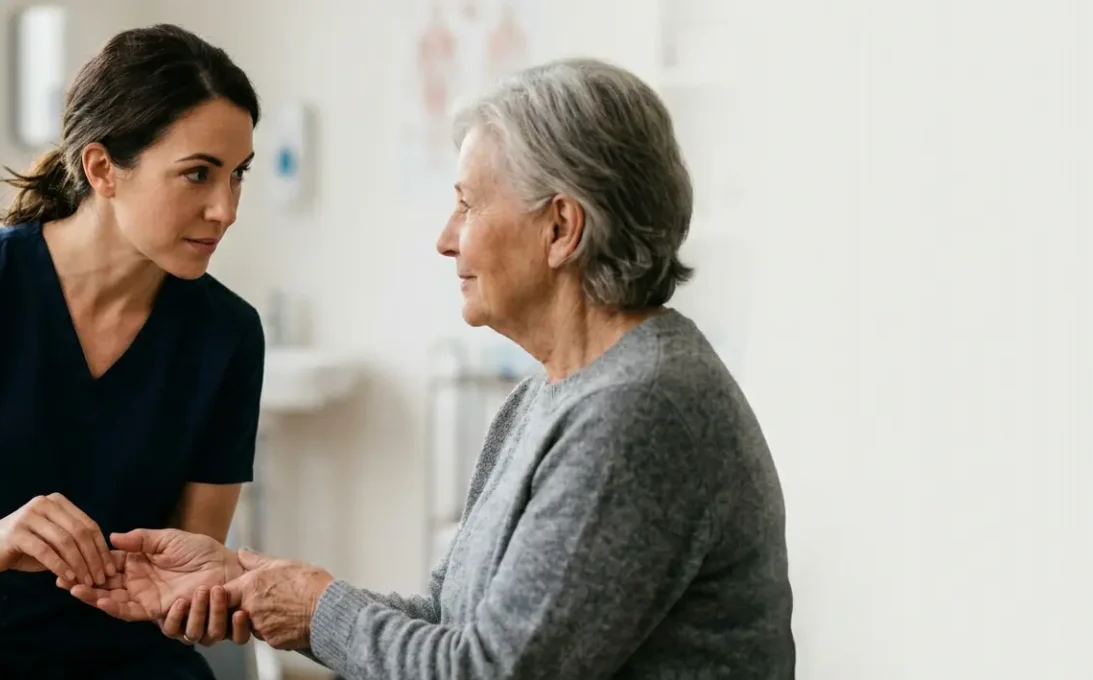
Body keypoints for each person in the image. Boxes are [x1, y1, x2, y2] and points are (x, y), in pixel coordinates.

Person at [68, 57, 797, 678]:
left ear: (561, 228)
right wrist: (250, 581)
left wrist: (318, 608)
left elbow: (488, 671)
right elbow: (451, 624)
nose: (447, 240)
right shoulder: (546, 398)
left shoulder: (640, 411)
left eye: (467, 205)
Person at [0, 24, 264, 680]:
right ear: (102, 169)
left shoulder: (229, 335)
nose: (226, 208)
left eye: (237, 176)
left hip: (125, 656)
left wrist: (206, 593)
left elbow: (194, 553)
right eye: (197, 175)